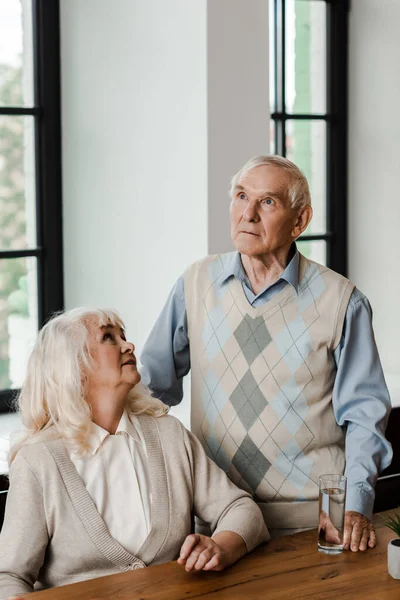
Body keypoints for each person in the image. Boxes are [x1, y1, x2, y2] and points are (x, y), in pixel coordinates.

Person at [141, 154, 393, 550]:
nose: (248, 214)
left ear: (300, 220)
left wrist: (356, 504)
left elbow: (364, 416)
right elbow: (152, 392)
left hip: (313, 524)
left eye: (268, 202)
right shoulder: (195, 284)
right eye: (241, 197)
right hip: (218, 521)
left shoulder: (342, 301)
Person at [0, 308, 268, 599]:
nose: (129, 345)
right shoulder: (38, 462)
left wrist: (221, 547)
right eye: (108, 337)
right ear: (75, 367)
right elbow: (10, 576)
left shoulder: (169, 435)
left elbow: (242, 509)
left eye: (123, 336)